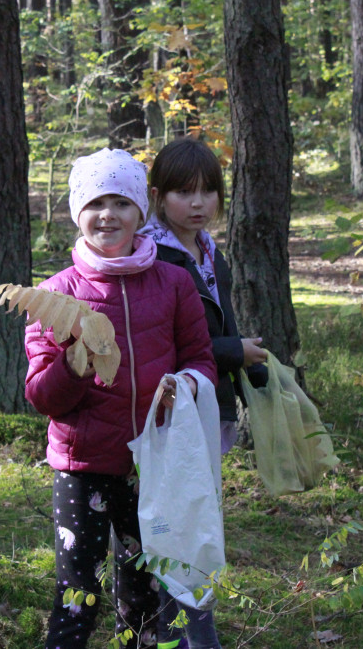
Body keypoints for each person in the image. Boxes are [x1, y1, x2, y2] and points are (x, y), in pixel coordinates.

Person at [24, 147, 218, 649]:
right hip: (82, 466)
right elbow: (42, 397)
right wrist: (72, 366)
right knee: (78, 590)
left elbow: (201, 357)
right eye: (94, 203)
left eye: (120, 203)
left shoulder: (174, 283)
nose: (107, 214)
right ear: (77, 213)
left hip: (152, 466)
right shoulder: (55, 295)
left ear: (140, 211)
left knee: (144, 588)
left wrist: (188, 384)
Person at [140, 137, 269, 649]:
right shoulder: (155, 258)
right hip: (172, 414)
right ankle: (188, 631)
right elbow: (171, 345)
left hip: (208, 407)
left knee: (201, 516)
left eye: (207, 192)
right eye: (182, 193)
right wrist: (235, 352)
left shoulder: (210, 251)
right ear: (157, 196)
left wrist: (245, 373)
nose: (197, 204)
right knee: (180, 522)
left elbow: (221, 322)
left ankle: (188, 626)